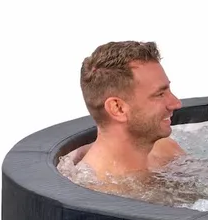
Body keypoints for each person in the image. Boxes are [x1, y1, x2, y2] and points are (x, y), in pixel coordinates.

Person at [73, 40, 184, 181]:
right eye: (160, 94)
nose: (176, 103)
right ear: (118, 108)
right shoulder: (101, 188)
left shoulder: (166, 150)